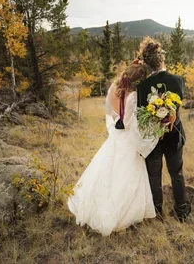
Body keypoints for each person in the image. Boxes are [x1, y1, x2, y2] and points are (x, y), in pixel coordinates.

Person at [67, 63, 159, 236]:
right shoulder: (132, 96)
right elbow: (130, 124)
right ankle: (120, 213)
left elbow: (110, 112)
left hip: (115, 137)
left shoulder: (112, 88)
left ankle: (96, 204)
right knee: (127, 174)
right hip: (127, 139)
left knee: (106, 171)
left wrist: (117, 120)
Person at [136, 37, 191, 222]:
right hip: (174, 135)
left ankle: (157, 212)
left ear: (147, 63)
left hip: (153, 138)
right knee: (177, 173)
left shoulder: (142, 87)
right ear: (162, 59)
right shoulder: (178, 80)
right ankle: (181, 210)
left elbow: (139, 112)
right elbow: (180, 102)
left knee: (154, 175)